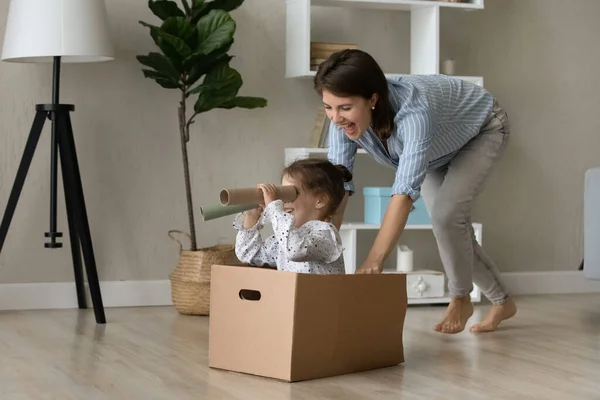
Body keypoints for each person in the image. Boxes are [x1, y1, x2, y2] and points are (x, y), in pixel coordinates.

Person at [314, 49, 517, 334]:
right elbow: (339, 183)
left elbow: (404, 194)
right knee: (450, 226)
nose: (335, 118)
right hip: (439, 148)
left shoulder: (413, 113)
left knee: (447, 217)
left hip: (482, 128)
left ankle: (460, 298)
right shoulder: (342, 120)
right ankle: (502, 301)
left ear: (373, 100)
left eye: (344, 108)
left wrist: (374, 262)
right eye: (328, 107)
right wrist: (324, 246)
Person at [233, 158, 352, 274]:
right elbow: (248, 254)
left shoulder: (326, 235)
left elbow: (295, 250)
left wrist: (274, 208)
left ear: (320, 200)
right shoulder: (286, 238)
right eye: (282, 193)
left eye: (292, 193)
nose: (283, 201)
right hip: (294, 294)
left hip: (320, 294)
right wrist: (251, 217)